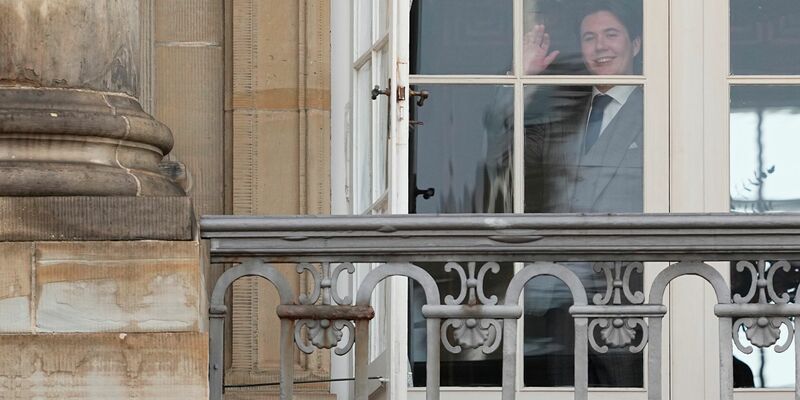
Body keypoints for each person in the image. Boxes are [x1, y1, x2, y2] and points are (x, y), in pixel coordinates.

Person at [522, 0, 643, 214]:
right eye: (589, 38)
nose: (600, 46)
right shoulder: (562, 109)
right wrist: (522, 78)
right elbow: (504, 156)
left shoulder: (659, 110)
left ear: (635, 45)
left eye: (611, 34)